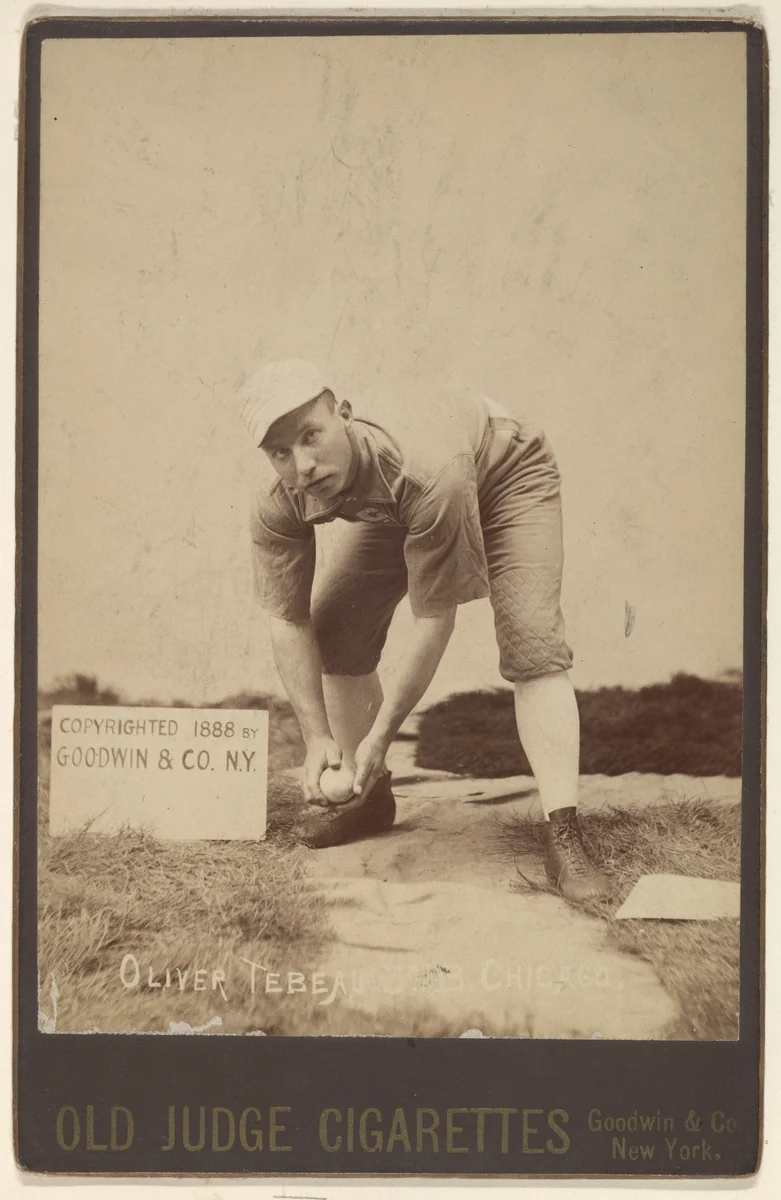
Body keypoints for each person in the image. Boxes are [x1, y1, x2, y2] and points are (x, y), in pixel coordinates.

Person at [239, 359, 609, 903]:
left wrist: (378, 738)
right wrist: (318, 735)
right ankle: (370, 801)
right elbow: (288, 618)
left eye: (312, 435)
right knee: (338, 627)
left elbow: (433, 621)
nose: (304, 465)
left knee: (532, 644)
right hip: (407, 502)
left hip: (503, 473)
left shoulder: (426, 467)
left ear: (343, 414)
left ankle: (565, 830)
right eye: (281, 452)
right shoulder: (278, 499)